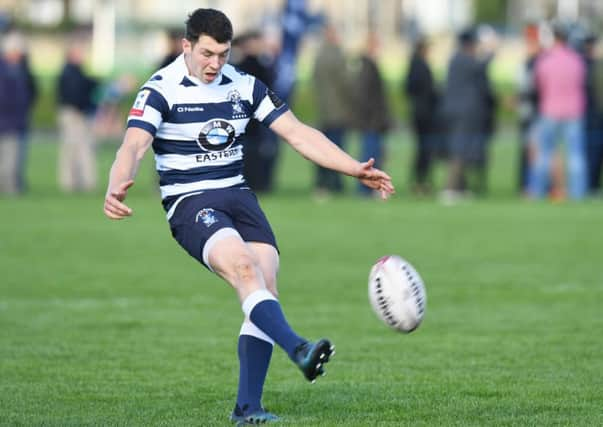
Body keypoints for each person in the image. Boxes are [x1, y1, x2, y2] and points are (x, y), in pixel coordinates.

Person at [103, 8, 394, 425]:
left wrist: (353, 167)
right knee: (242, 267)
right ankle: (299, 348)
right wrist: (118, 183)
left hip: (239, 197)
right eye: (206, 53)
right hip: (191, 202)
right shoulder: (160, 90)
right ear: (186, 46)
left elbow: (298, 132)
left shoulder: (244, 85)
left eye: (222, 54)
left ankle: (247, 408)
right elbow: (131, 147)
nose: (214, 63)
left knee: (265, 281)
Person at [530, 23, 587, 200]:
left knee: (544, 153)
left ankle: (538, 191)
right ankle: (578, 193)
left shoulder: (544, 60)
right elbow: (582, 83)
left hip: (550, 110)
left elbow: (538, 86)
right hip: (574, 111)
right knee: (575, 154)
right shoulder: (577, 60)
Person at [440, 27, 497, 202]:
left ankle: (459, 188)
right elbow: (481, 66)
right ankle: (450, 188)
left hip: (457, 111)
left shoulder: (456, 59)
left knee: (463, 149)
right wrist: (491, 51)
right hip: (462, 113)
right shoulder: (463, 59)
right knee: (460, 148)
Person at [231, 30, 279, 193]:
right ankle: (256, 183)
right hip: (252, 118)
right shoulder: (252, 64)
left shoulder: (247, 64)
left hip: (251, 118)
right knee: (252, 152)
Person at [311, 21, 352, 197]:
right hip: (337, 111)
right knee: (337, 149)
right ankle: (335, 184)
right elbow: (346, 83)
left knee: (321, 149)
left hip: (323, 110)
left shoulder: (319, 55)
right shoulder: (337, 55)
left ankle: (321, 184)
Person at [350, 31, 393, 197]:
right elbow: (365, 96)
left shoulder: (368, 65)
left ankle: (371, 189)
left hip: (373, 120)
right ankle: (365, 190)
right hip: (371, 121)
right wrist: (373, 117)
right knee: (370, 156)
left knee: (374, 153)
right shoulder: (368, 66)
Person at [56, 33, 99, 192]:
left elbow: (87, 84)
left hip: (76, 114)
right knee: (78, 150)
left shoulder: (74, 71)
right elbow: (75, 94)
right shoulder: (69, 72)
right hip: (74, 115)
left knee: (76, 149)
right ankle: (80, 183)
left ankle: (75, 183)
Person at [404, 36, 439, 195]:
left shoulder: (414, 64)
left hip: (420, 113)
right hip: (424, 115)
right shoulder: (420, 65)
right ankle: (420, 182)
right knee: (424, 149)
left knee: (423, 149)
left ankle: (419, 181)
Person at [0, 31, 32, 195]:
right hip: (7, 121)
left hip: (17, 120)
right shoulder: (5, 70)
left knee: (14, 156)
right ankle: (9, 189)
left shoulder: (17, 68)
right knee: (8, 158)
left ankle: (13, 186)